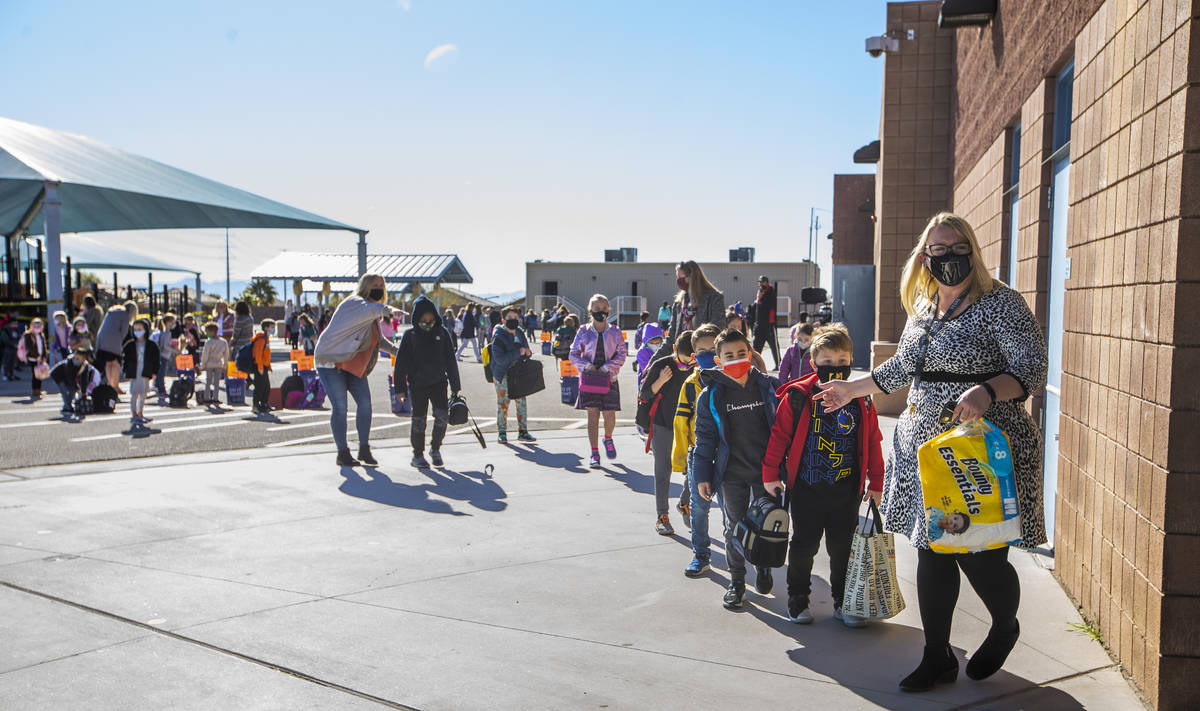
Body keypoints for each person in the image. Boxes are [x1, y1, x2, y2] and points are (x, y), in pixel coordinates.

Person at [813, 212, 1047, 692]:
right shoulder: (923, 306)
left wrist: (984, 391)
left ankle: (1005, 624)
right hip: (927, 450)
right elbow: (903, 366)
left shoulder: (1000, 302)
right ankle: (936, 656)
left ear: (973, 250)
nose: (948, 258)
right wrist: (852, 389)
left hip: (979, 450)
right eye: (937, 250)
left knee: (979, 554)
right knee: (932, 551)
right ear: (925, 258)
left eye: (957, 247)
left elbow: (1031, 368)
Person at [762, 323, 885, 627]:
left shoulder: (861, 398)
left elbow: (873, 440)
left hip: (846, 488)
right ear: (814, 363)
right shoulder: (799, 397)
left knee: (842, 548)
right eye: (828, 363)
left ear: (851, 362)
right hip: (807, 487)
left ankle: (844, 603)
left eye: (842, 363)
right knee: (804, 546)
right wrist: (770, 474)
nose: (835, 368)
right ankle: (797, 600)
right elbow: (779, 437)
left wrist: (877, 481)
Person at [692, 327, 781, 609]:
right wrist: (702, 476)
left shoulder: (769, 386)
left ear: (751, 354)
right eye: (729, 355)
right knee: (734, 528)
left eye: (742, 353)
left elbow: (784, 430)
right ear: (718, 360)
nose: (736, 359)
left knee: (768, 526)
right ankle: (738, 581)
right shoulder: (710, 396)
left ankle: (764, 568)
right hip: (732, 475)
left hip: (767, 474)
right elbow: (704, 439)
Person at [315, 274, 403, 467]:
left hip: (353, 364)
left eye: (381, 285)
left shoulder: (372, 315)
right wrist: (389, 310)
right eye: (374, 285)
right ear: (364, 286)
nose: (379, 288)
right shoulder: (355, 303)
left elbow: (377, 341)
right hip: (331, 361)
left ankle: (364, 449)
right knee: (340, 407)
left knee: (365, 404)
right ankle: (342, 452)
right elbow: (369, 309)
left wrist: (398, 351)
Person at [672, 323, 721, 577]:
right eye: (702, 350)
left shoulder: (735, 381)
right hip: (698, 453)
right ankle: (701, 554)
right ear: (693, 356)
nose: (708, 354)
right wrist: (680, 459)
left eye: (713, 349)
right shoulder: (690, 385)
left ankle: (738, 556)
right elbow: (680, 423)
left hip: (727, 453)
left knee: (731, 509)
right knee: (699, 507)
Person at [637, 329, 694, 536]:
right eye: (685, 359)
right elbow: (644, 394)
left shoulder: (698, 368)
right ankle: (662, 515)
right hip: (663, 424)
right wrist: (660, 380)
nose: (688, 364)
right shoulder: (662, 365)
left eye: (692, 360)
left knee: (694, 469)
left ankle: (685, 503)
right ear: (674, 349)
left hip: (689, 426)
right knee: (663, 470)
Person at [393, 297, 462, 468]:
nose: (427, 322)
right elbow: (401, 363)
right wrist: (400, 389)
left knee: (441, 417)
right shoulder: (410, 335)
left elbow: (450, 361)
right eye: (423, 319)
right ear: (417, 318)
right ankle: (417, 454)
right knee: (419, 420)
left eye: (430, 319)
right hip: (417, 384)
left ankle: (435, 448)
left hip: (439, 383)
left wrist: (455, 386)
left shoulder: (442, 333)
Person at [569, 294, 627, 468]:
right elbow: (573, 354)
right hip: (589, 380)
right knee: (592, 416)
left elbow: (622, 354)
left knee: (609, 415)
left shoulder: (615, 331)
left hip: (609, 379)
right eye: (596, 309)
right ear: (590, 311)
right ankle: (594, 452)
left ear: (608, 310)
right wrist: (587, 366)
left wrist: (606, 368)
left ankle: (607, 438)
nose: (600, 312)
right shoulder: (583, 331)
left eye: (603, 309)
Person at [490, 306, 537, 444]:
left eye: (516, 318)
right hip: (502, 373)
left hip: (518, 374)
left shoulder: (520, 333)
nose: (513, 320)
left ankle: (523, 431)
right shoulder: (498, 335)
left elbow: (526, 348)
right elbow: (499, 359)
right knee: (503, 403)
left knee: (521, 402)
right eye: (510, 318)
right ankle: (502, 432)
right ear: (503, 320)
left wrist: (528, 353)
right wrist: (518, 352)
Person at [668, 260, 726, 343]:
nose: (678, 281)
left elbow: (717, 330)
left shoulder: (714, 298)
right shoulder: (679, 303)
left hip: (704, 351)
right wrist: (656, 356)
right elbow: (671, 339)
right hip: (681, 353)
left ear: (691, 277)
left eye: (680, 278)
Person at [123, 317, 159, 428]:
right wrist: (125, 372)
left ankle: (140, 413)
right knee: (134, 393)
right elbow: (126, 359)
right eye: (135, 329)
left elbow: (156, 360)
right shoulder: (129, 345)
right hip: (134, 371)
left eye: (140, 329)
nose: (138, 332)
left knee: (143, 393)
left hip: (146, 370)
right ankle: (134, 414)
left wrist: (154, 372)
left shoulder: (151, 345)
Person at [96, 301, 137, 395]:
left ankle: (111, 386)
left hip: (102, 338)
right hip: (114, 339)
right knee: (115, 363)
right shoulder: (125, 315)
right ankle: (115, 386)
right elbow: (124, 332)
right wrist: (120, 341)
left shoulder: (111, 312)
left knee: (108, 363)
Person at [49, 347, 101, 418]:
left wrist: (83, 391)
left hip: (67, 378)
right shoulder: (69, 362)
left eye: (79, 359)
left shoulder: (85, 365)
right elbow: (71, 378)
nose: (77, 360)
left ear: (83, 359)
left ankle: (66, 407)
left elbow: (84, 379)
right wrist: (77, 388)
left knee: (72, 391)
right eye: (76, 358)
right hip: (58, 376)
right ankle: (68, 408)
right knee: (65, 392)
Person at [752, 276, 781, 369]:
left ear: (767, 282)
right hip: (759, 324)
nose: (760, 284)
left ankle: (779, 365)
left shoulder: (771, 292)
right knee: (756, 346)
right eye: (759, 282)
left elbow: (768, 306)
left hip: (769, 324)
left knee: (774, 346)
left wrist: (760, 298)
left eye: (762, 282)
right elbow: (756, 307)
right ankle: (754, 365)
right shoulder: (760, 293)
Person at [249, 319, 275, 417]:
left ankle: (264, 404)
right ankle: (255, 405)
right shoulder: (261, 339)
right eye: (272, 327)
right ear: (266, 328)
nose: (273, 330)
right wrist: (260, 367)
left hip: (264, 366)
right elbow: (258, 354)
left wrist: (268, 366)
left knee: (266, 387)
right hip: (259, 366)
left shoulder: (266, 338)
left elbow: (266, 354)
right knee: (259, 387)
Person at [200, 321, 229, 406]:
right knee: (217, 382)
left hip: (209, 364)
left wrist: (203, 364)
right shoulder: (223, 342)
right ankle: (215, 398)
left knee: (208, 381)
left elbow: (205, 354)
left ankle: (206, 397)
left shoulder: (209, 342)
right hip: (219, 364)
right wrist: (225, 365)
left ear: (211, 332)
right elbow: (226, 354)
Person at [21, 317, 49, 399]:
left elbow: (44, 346)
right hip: (33, 358)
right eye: (35, 325)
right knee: (35, 375)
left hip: (40, 358)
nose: (37, 327)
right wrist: (36, 356)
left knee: (40, 374)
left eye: (39, 325)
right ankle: (34, 390)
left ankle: (39, 389)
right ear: (31, 326)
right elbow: (29, 347)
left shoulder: (41, 334)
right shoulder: (28, 335)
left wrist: (44, 356)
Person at [153, 313, 179, 401]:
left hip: (163, 355)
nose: (173, 324)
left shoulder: (164, 333)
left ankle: (158, 387)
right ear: (168, 322)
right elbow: (166, 346)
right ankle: (161, 391)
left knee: (160, 373)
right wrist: (175, 350)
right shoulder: (167, 333)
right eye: (172, 322)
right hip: (164, 355)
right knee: (162, 374)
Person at [634, 323, 664, 389]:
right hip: (647, 384)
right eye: (652, 343)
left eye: (658, 343)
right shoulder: (642, 352)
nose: (656, 346)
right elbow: (647, 371)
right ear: (646, 341)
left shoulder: (663, 349)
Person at [0, 313, 20, 381]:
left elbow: (17, 338)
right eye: (14, 323)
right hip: (8, 349)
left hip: (14, 349)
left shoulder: (15, 331)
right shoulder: (6, 330)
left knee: (12, 362)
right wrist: (12, 345)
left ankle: (11, 374)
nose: (16, 325)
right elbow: (5, 340)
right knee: (7, 362)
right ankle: (6, 375)